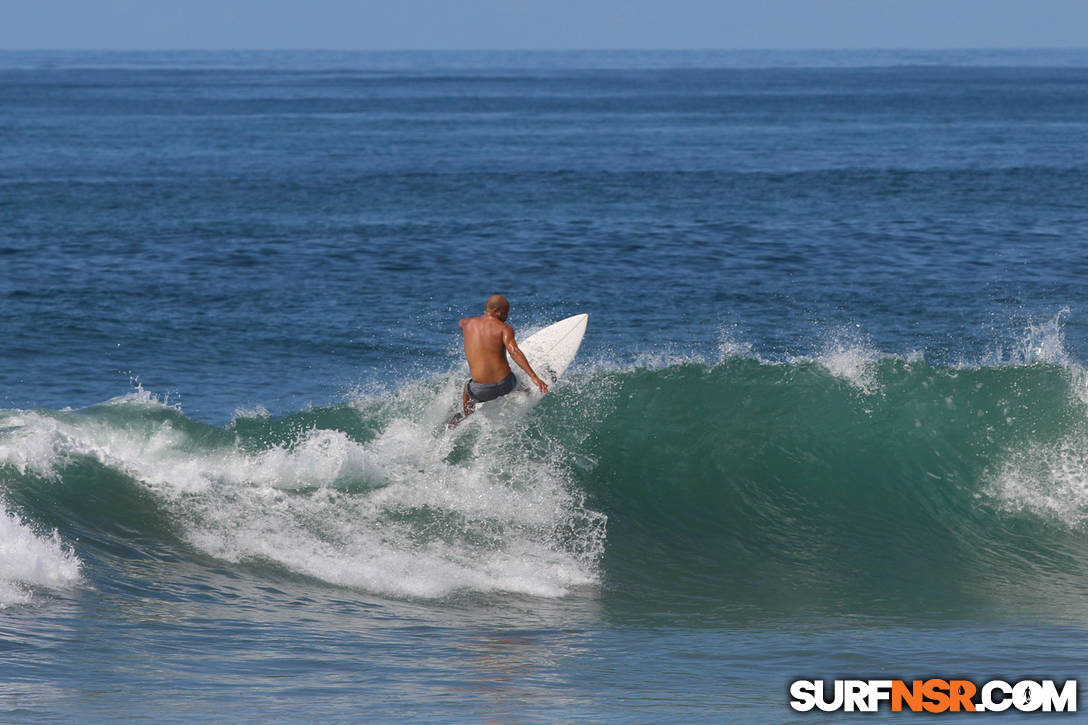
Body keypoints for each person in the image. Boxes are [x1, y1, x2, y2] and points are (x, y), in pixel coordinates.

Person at [451, 294, 548, 426]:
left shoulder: (467, 323)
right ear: (498, 312)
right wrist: (534, 377)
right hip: (506, 384)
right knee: (518, 380)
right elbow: (515, 352)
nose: (507, 317)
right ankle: (527, 394)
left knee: (466, 390)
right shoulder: (505, 329)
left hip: (482, 391)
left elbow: (461, 323)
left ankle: (467, 418)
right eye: (506, 313)